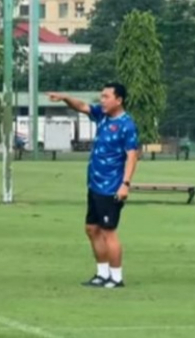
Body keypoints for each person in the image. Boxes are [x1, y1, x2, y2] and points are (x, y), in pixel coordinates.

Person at [48, 83, 138, 288]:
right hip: (95, 185)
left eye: (106, 97)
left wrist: (125, 184)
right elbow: (81, 106)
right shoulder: (102, 115)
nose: (102, 100)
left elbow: (132, 156)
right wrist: (64, 97)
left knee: (108, 231)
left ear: (119, 100)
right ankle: (101, 274)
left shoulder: (127, 125)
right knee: (91, 228)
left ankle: (116, 278)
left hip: (111, 187)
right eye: (101, 97)